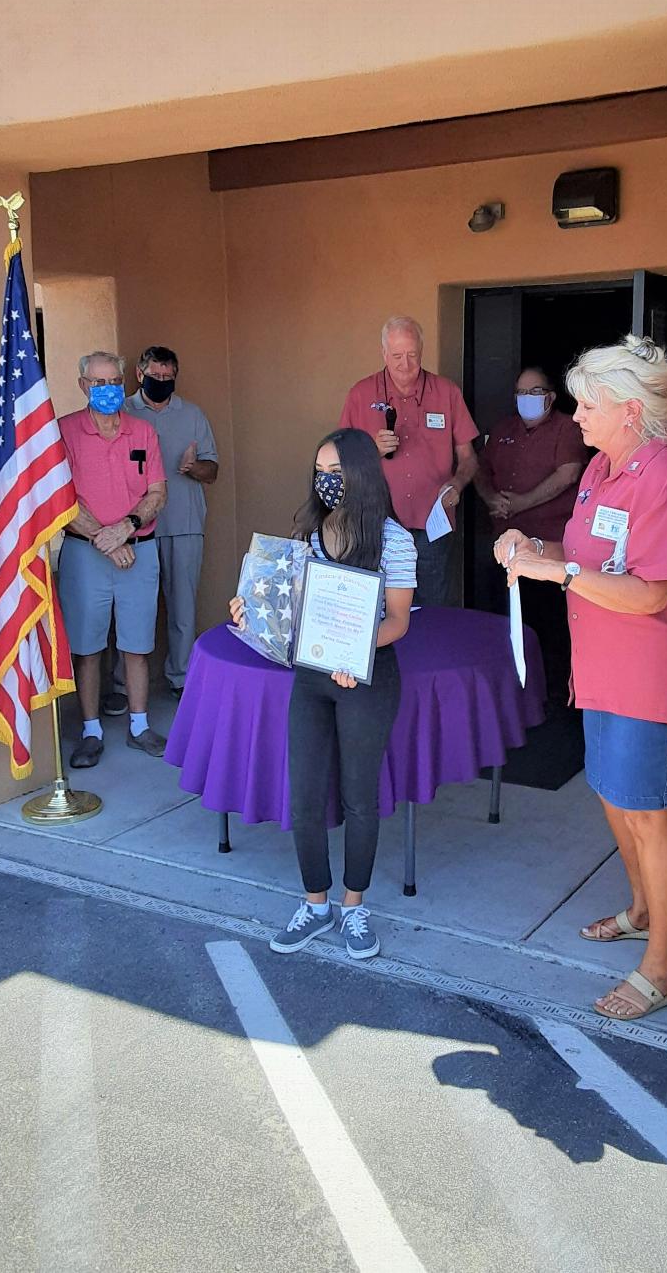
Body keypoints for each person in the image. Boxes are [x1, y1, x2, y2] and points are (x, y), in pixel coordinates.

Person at [494, 335, 667, 1020]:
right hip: (602, 669)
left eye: (588, 404)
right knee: (617, 801)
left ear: (629, 410)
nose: (575, 415)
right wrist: (531, 547)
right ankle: (646, 910)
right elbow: (585, 555)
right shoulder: (599, 471)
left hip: (649, 675)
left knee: (648, 814)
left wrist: (553, 570)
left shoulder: (666, 477)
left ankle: (663, 966)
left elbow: (648, 591)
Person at [229, 428, 416, 959]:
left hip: (366, 679)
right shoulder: (308, 532)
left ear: (361, 474)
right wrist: (251, 613)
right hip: (312, 679)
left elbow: (398, 622)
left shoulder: (394, 540)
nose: (326, 483)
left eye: (336, 473)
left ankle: (354, 908)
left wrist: (354, 655)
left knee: (360, 799)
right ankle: (316, 904)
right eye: (319, 473)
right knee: (305, 797)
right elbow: (287, 609)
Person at [58, 351, 168, 767]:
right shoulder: (65, 431)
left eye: (114, 382)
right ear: (84, 386)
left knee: (137, 643)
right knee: (87, 648)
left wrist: (125, 528)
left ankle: (139, 726)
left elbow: (158, 492)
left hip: (138, 551)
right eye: (99, 384)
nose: (108, 391)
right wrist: (105, 539)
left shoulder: (142, 433)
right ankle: (90, 731)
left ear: (125, 382)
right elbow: (61, 500)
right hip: (86, 554)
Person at [98, 346, 218, 711]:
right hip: (134, 530)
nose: (161, 382)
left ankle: (181, 678)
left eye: (168, 377)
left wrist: (192, 468)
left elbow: (212, 472)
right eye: (155, 375)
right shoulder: (121, 411)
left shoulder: (193, 414)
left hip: (183, 523)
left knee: (183, 608)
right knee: (130, 610)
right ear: (139, 374)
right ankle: (122, 686)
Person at [338, 315, 478, 606]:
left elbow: (468, 458)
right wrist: (369, 450)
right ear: (384, 354)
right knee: (378, 609)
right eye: (397, 356)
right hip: (377, 526)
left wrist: (458, 484)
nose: (405, 364)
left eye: (412, 355)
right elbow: (337, 461)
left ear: (422, 352)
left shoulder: (447, 392)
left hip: (432, 526)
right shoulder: (360, 394)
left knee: (433, 612)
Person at [474, 367, 587, 705]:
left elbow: (568, 474)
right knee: (509, 624)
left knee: (549, 628)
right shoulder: (504, 429)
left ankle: (550, 699)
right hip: (505, 549)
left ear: (550, 397)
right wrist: (491, 498)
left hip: (550, 549)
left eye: (535, 392)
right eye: (521, 393)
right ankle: (513, 695)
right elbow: (479, 469)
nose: (527, 399)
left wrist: (522, 502)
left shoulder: (568, 428)